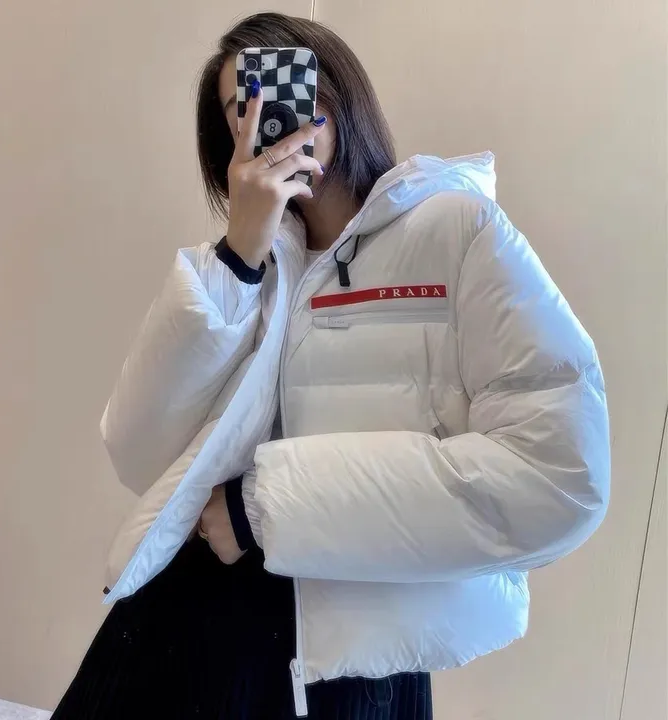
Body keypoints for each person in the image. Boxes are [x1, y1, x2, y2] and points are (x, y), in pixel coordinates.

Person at [52, 11, 610, 720]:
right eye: (243, 107)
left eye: (290, 89)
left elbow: (558, 475)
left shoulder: (459, 232)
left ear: (339, 96)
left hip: (352, 652)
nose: (273, 118)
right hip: (199, 612)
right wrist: (238, 258)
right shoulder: (239, 265)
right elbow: (139, 452)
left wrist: (261, 509)